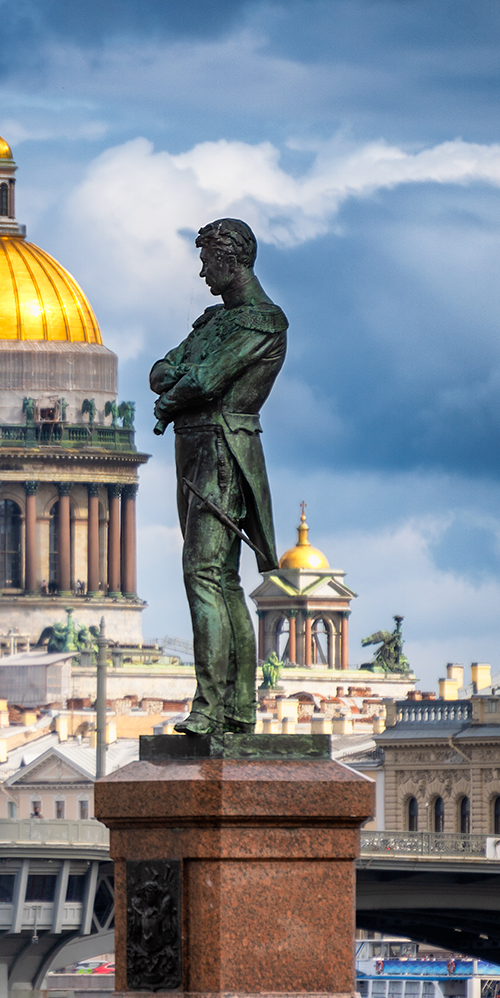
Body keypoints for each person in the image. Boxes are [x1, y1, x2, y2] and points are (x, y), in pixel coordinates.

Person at [150, 218, 287, 735]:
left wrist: (175, 393)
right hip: (194, 450)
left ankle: (213, 707)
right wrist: (178, 386)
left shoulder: (263, 322)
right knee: (218, 578)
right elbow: (161, 370)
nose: (202, 270)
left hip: (224, 451)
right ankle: (233, 709)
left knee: (205, 574)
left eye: (208, 259)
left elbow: (201, 379)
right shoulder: (212, 322)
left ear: (233, 259)